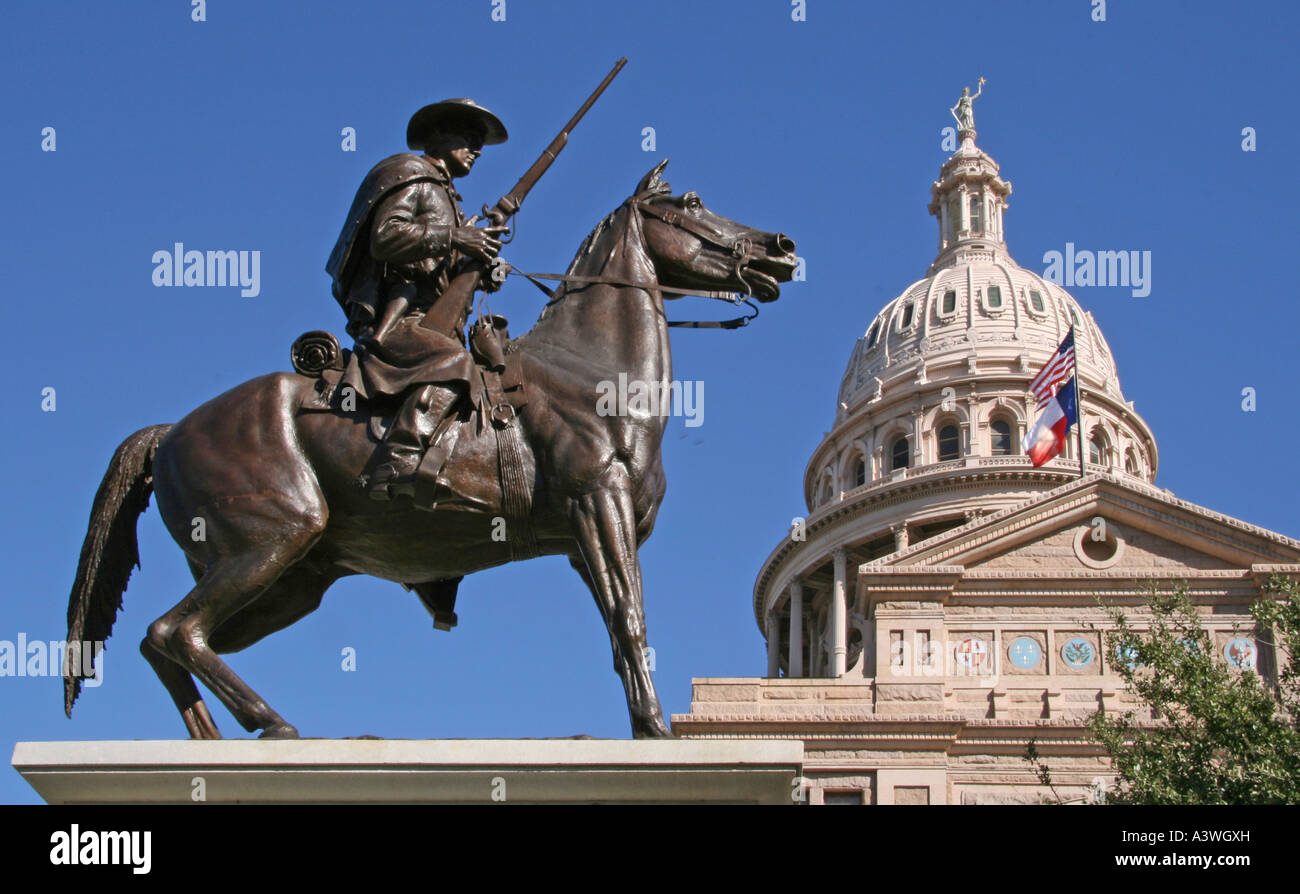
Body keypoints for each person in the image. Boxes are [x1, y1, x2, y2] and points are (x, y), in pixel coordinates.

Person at [326, 99, 509, 500]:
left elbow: (442, 269)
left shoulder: (450, 197)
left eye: (480, 142)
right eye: (469, 138)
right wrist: (455, 237)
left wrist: (482, 269)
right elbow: (385, 238)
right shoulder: (414, 177)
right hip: (403, 319)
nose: (477, 150)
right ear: (439, 135)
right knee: (453, 363)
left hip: (437, 320)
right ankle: (400, 460)